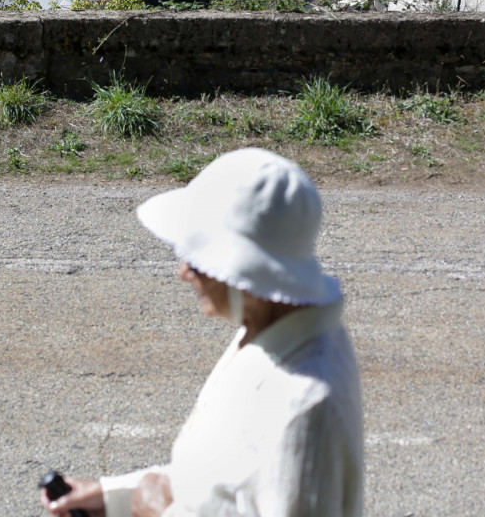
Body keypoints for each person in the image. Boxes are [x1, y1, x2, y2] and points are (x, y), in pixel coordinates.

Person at [42, 147, 364, 517]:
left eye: (198, 257)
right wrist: (115, 496)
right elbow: (221, 474)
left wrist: (157, 513)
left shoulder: (303, 404)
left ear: (245, 273)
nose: (183, 271)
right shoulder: (269, 333)